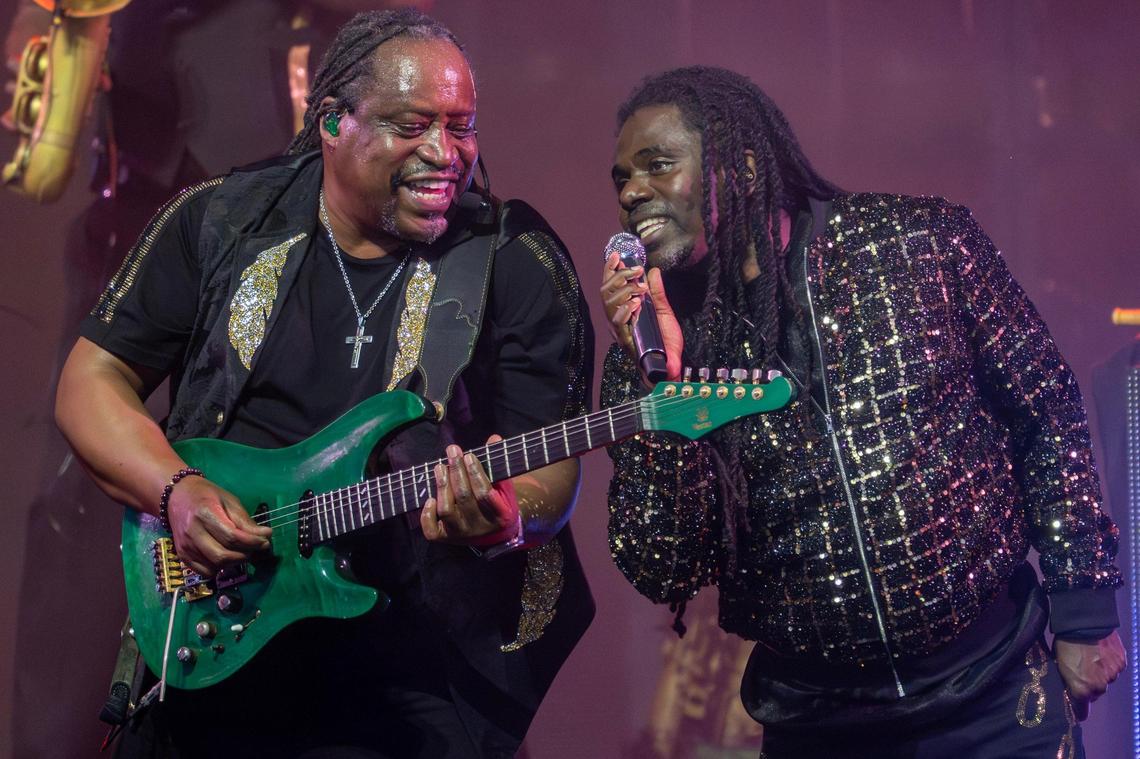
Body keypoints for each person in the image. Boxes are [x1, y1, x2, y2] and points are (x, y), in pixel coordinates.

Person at [54, 9, 593, 758]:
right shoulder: (223, 221)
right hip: (218, 637)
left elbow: (551, 460)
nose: (445, 154)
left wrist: (505, 518)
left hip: (412, 677)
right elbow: (91, 379)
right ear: (334, 120)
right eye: (413, 126)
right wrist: (174, 489)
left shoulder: (514, 256)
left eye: (462, 127)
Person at [600, 66, 1124, 759]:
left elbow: (1045, 410)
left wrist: (1084, 608)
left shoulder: (913, 243)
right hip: (819, 723)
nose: (632, 192)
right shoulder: (651, 351)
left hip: (995, 690)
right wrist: (661, 391)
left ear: (742, 163)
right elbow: (662, 566)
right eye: (621, 179)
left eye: (657, 165)